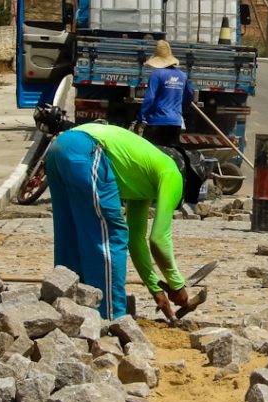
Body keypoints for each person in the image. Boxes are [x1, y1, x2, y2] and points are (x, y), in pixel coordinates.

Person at [44, 121, 200, 322]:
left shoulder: (143, 178)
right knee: (111, 236)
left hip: (59, 147)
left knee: (71, 234)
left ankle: (66, 311)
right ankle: (111, 319)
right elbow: (158, 239)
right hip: (87, 148)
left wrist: (155, 288)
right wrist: (176, 284)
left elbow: (136, 240)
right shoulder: (173, 174)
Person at [137, 40, 194, 146]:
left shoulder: (156, 74)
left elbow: (150, 98)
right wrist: (181, 112)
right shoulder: (182, 75)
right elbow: (189, 96)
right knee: (170, 152)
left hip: (157, 122)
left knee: (153, 152)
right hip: (175, 123)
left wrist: (142, 117)